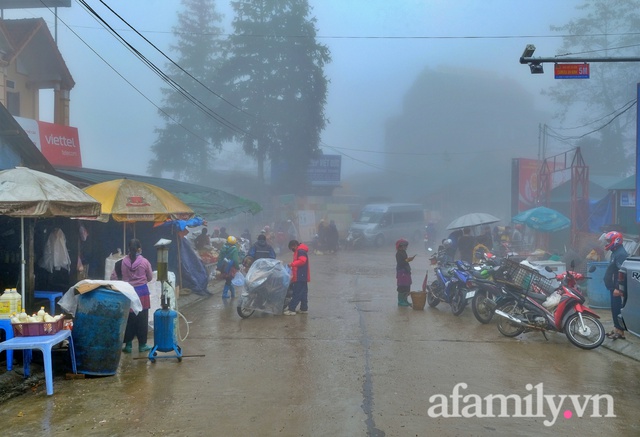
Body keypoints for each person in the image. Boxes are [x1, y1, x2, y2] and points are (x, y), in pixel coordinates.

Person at [114, 239, 153, 354]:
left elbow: (114, 277)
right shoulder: (145, 262)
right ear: (139, 249)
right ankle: (142, 345)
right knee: (142, 318)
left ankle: (128, 345)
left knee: (129, 318)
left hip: (128, 292)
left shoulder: (121, 263)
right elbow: (150, 277)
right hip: (142, 293)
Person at [603, 231, 628, 340]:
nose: (607, 243)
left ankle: (620, 331)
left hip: (617, 288)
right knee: (614, 308)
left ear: (616, 240)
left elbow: (622, 272)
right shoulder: (615, 252)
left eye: (609, 240)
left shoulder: (621, 254)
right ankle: (616, 329)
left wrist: (618, 288)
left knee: (618, 308)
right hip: (613, 287)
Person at [284, 240, 310, 315]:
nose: (292, 250)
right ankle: (304, 308)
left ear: (294, 245)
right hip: (302, 275)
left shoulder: (300, 251)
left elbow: (302, 261)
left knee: (297, 292)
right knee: (303, 292)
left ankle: (291, 309)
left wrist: (292, 264)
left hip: (300, 275)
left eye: (292, 248)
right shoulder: (300, 251)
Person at [395, 239, 415, 306]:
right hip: (402, 272)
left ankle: (405, 300)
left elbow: (405, 261)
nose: (406, 247)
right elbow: (401, 263)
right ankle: (400, 301)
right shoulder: (398, 254)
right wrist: (407, 260)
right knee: (402, 287)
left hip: (406, 271)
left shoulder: (404, 252)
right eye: (405, 246)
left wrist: (408, 260)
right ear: (401, 246)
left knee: (407, 286)